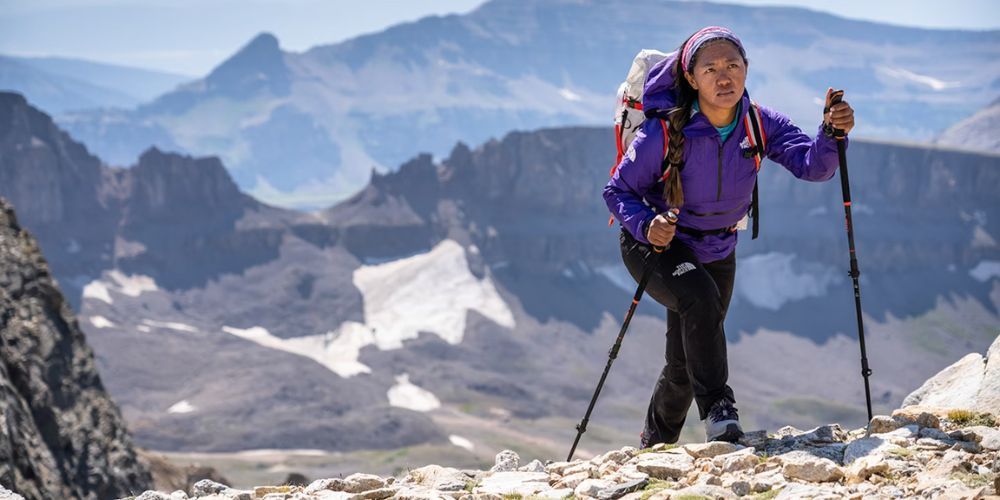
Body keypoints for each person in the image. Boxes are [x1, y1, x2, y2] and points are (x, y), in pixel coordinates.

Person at [603, 26, 855, 446]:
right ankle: (720, 410)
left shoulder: (759, 122)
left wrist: (831, 133)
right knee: (699, 299)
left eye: (733, 66)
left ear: (746, 70)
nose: (724, 77)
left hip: (718, 245)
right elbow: (617, 190)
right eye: (711, 69)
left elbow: (814, 166)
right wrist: (647, 225)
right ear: (691, 77)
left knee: (686, 359)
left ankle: (654, 443)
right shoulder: (662, 133)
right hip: (655, 243)